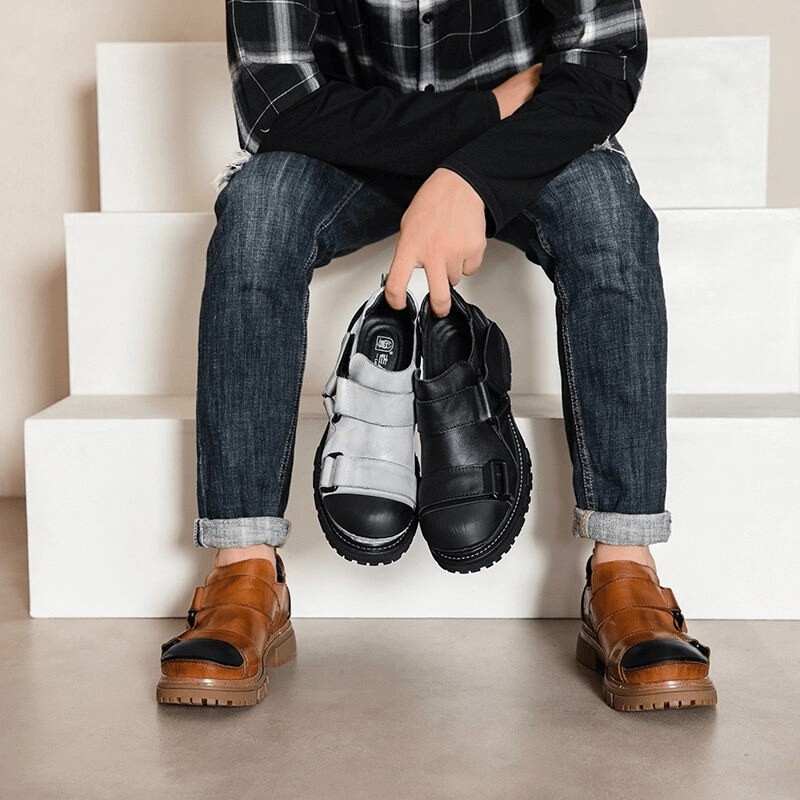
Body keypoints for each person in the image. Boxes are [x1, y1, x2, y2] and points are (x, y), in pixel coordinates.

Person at [157, 0, 717, 711]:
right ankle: (243, 572)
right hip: (352, 152)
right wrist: (480, 111)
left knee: (609, 213)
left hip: (522, 142)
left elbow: (603, 64)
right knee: (257, 212)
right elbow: (275, 103)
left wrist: (470, 176)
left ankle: (624, 569)